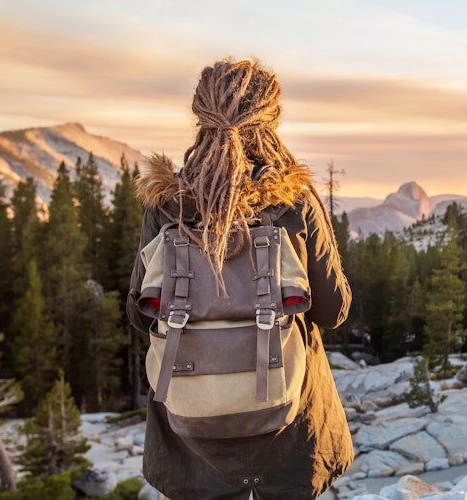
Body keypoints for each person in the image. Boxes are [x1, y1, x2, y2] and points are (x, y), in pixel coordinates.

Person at [126, 58, 354, 499]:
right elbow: (333, 311)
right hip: (288, 427)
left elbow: (139, 316)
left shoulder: (168, 206)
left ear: (200, 117)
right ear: (270, 122)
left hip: (193, 436)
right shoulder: (293, 202)